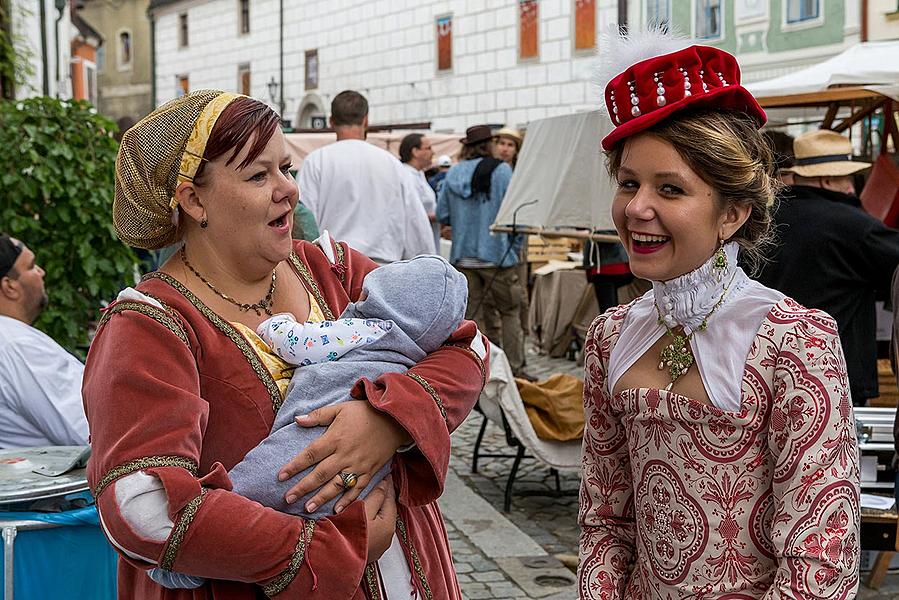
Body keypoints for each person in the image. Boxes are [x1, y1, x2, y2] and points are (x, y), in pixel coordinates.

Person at [83, 90, 488, 599]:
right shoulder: (150, 327)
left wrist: (386, 419)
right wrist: (333, 549)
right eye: (258, 175)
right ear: (193, 200)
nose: (288, 191)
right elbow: (142, 507)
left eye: (287, 169)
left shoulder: (331, 268)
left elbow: (466, 348)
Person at [579, 32, 859, 598]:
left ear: (731, 212)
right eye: (629, 183)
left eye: (670, 189)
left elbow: (820, 556)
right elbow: (605, 520)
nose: (636, 208)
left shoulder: (794, 341)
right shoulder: (610, 336)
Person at [150, 254, 467, 589]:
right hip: (363, 497)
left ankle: (186, 563)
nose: (288, 197)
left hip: (307, 442)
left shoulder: (357, 311)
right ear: (193, 201)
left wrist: (278, 325)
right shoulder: (415, 346)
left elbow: (299, 344)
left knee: (248, 488)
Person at [756, 129, 899, 406]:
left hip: (765, 369)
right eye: (846, 177)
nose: (850, 187)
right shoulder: (851, 225)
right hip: (833, 374)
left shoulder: (763, 220)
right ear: (827, 178)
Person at [296, 90, 433, 264]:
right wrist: (426, 262)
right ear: (366, 120)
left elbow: (304, 222)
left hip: (335, 268)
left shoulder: (315, 162)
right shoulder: (392, 163)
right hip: (383, 268)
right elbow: (416, 224)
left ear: (331, 121)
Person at [437, 124, 527, 377]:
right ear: (489, 145)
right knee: (510, 313)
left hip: (464, 257)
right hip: (498, 256)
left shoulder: (453, 173)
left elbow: (443, 213)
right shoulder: (501, 171)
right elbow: (516, 212)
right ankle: (517, 371)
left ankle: (482, 370)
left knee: (475, 319)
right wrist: (515, 247)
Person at [0, 234, 88, 449]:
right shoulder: (18, 346)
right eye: (31, 266)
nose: (41, 272)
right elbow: (91, 431)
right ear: (9, 286)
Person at [400, 133, 440, 253]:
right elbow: (409, 214)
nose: (432, 153)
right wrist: (437, 215)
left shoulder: (419, 174)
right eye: (428, 148)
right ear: (415, 151)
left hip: (427, 239)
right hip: (415, 246)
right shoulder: (406, 176)